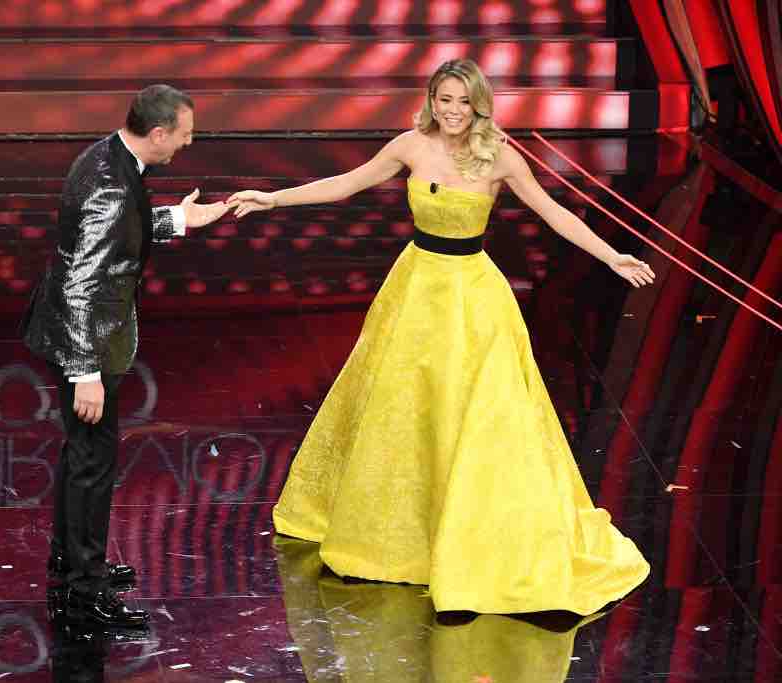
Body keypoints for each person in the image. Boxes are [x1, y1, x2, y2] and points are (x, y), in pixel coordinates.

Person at [228, 59, 653, 615]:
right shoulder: (410, 145)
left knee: (473, 409)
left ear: (479, 105)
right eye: (444, 99)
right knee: (404, 408)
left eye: (463, 101)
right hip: (415, 289)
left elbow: (554, 215)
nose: (453, 111)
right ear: (432, 100)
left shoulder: (500, 156)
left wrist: (612, 256)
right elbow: (346, 185)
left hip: (471, 296)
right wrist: (273, 198)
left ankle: (469, 525)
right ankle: (405, 529)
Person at [23, 84, 228, 629]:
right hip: (86, 339)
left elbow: (118, 233)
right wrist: (84, 371)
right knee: (92, 463)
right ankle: (84, 592)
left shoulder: (109, 157)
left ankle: (72, 562)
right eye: (184, 135)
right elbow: (79, 283)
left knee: (83, 456)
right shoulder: (110, 184)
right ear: (158, 133)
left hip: (82, 333)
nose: (187, 144)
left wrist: (179, 220)